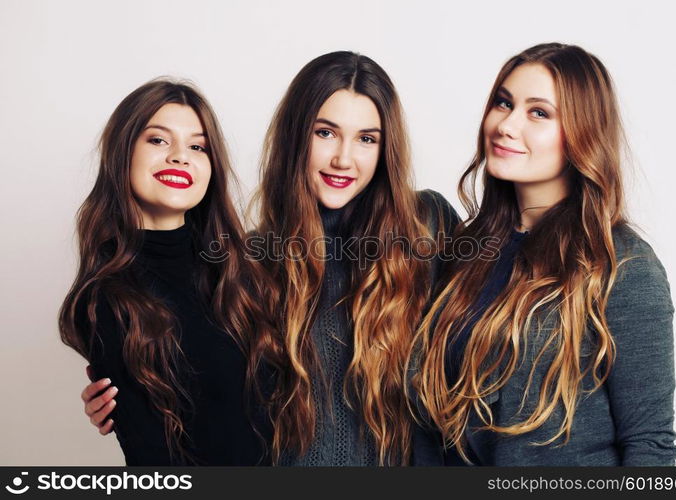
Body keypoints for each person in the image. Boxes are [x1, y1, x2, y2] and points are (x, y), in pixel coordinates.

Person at [81, 52, 459, 466]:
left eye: (367, 138)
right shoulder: (251, 262)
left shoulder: (428, 224)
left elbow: (502, 328)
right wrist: (131, 387)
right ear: (297, 136)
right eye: (326, 133)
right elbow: (211, 390)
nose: (344, 159)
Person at [411, 43, 676, 466]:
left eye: (539, 113)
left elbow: (649, 444)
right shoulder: (465, 250)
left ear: (582, 133)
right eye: (504, 103)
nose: (507, 125)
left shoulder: (623, 266)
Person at [59, 79, 272, 465]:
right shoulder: (106, 296)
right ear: (122, 153)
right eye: (158, 140)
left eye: (197, 146)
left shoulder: (243, 269)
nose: (180, 157)